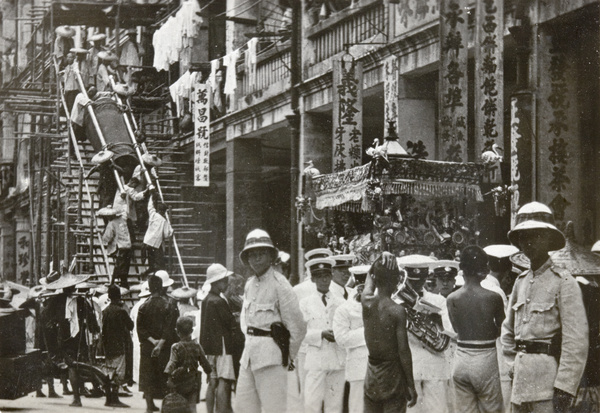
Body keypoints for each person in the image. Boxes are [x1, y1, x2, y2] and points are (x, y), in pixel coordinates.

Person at [501, 202, 589, 413]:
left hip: (548, 386)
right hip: (520, 385)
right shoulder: (520, 281)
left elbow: (575, 340)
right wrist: (513, 366)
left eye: (536, 235)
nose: (529, 242)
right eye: (523, 236)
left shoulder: (564, 282)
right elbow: (508, 331)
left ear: (549, 239)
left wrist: (565, 387)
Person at [233, 229, 307, 413]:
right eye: (252, 254)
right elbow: (245, 320)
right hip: (248, 356)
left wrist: (286, 356)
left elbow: (298, 327)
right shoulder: (250, 284)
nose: (256, 258)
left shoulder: (280, 285)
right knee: (244, 407)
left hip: (272, 357)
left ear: (270, 256)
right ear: (247, 258)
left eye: (262, 253)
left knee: (275, 409)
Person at [447, 246, 505, 413]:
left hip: (461, 357)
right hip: (485, 357)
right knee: (492, 409)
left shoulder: (452, 299)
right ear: (483, 270)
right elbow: (502, 329)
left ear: (462, 270)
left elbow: (457, 328)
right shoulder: (493, 298)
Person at [396, 255, 454, 413]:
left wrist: (438, 321)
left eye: (420, 280)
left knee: (438, 409)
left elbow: (451, 331)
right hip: (410, 367)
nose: (417, 285)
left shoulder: (438, 301)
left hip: (435, 365)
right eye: (413, 281)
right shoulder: (397, 302)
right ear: (406, 279)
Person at [362, 253, 417, 412]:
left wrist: (379, 258)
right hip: (392, 376)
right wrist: (410, 385)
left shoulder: (366, 302)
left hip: (372, 374)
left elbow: (369, 276)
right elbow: (403, 350)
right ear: (395, 281)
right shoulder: (398, 311)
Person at [300, 257, 346, 413]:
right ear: (313, 279)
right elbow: (300, 332)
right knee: (312, 403)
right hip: (316, 359)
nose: (324, 280)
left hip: (337, 359)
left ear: (332, 276)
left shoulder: (341, 302)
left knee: (334, 405)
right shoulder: (305, 303)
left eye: (326, 275)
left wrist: (338, 334)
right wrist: (320, 333)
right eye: (319, 276)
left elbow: (346, 328)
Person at [137, 274, 180, 413]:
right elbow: (169, 327)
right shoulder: (168, 305)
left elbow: (140, 329)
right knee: (164, 375)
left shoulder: (143, 306)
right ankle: (165, 407)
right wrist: (160, 343)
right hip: (165, 345)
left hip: (148, 345)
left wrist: (152, 340)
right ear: (161, 287)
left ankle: (149, 406)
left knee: (147, 376)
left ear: (149, 288)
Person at [200, 263, 238, 413]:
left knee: (212, 381)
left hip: (209, 346)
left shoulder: (206, 300)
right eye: (224, 280)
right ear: (217, 282)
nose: (227, 282)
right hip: (222, 345)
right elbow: (229, 323)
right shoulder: (220, 301)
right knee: (224, 380)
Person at [332, 264, 370, 413]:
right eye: (361, 286)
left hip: (382, 368)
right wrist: (371, 332)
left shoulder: (383, 306)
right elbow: (342, 338)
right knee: (357, 407)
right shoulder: (344, 309)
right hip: (358, 367)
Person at [165, 316, 212, 413]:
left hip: (179, 380)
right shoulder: (197, 345)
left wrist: (169, 378)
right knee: (192, 405)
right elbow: (204, 362)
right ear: (191, 330)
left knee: (178, 405)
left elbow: (172, 362)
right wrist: (208, 373)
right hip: (193, 380)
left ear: (177, 331)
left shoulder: (176, 347)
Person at [101, 284, 134, 408]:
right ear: (119, 296)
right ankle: (114, 398)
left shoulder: (106, 311)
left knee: (109, 372)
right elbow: (131, 325)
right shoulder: (121, 311)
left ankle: (109, 398)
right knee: (118, 373)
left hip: (108, 345)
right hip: (119, 344)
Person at [99, 206, 132, 289]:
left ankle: (115, 282)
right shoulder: (123, 220)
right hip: (127, 245)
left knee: (119, 265)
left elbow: (107, 237)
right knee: (125, 265)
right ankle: (121, 282)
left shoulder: (112, 223)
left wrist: (103, 236)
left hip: (120, 246)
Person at [143, 194, 174, 273]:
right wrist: (171, 230)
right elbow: (167, 234)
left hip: (147, 241)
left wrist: (151, 197)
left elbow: (150, 207)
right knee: (158, 260)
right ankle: (158, 271)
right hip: (155, 243)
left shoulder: (153, 215)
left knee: (150, 256)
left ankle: (151, 269)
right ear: (164, 212)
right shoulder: (164, 221)